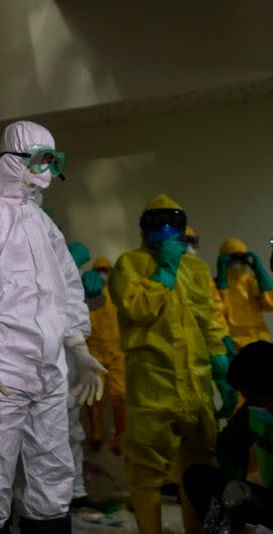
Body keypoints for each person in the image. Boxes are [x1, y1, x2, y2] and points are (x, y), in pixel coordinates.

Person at [0, 121, 105, 534]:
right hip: (2, 373)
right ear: (15, 160)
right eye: (42, 158)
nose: (47, 169)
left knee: (53, 477)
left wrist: (77, 345)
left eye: (52, 160)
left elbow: (66, 286)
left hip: (49, 370)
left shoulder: (42, 224)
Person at [109, 194, 230, 534]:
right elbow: (138, 309)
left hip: (197, 385)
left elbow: (210, 320)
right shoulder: (128, 265)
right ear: (143, 228)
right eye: (155, 221)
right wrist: (165, 271)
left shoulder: (197, 268)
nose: (163, 228)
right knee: (146, 472)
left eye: (171, 221)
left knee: (199, 468)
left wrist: (220, 360)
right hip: (152, 386)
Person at [183, 340, 273, 532]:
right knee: (198, 477)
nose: (253, 405)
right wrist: (235, 481)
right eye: (249, 399)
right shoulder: (254, 408)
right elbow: (229, 442)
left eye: (259, 400)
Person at [66, 242, 104, 511]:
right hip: (24, 367)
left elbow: (80, 311)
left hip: (66, 363)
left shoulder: (69, 277)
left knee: (70, 432)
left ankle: (75, 492)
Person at [83, 257, 126, 455]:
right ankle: (97, 435)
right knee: (94, 397)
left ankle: (120, 436)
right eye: (99, 270)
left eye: (105, 270)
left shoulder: (117, 294)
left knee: (120, 396)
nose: (103, 273)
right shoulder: (88, 297)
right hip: (94, 352)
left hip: (116, 352)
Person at [216, 237, 273, 350]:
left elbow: (271, 304)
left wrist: (259, 269)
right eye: (233, 256)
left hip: (258, 338)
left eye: (241, 256)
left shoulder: (251, 281)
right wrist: (221, 279)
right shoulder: (217, 285)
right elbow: (218, 312)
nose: (237, 260)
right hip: (232, 343)